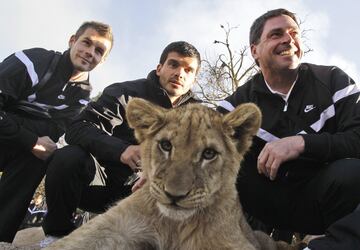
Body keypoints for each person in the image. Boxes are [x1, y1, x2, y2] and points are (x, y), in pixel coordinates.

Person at [217, 8, 360, 250]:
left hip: (325, 196)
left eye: (294, 32)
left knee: (354, 171)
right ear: (255, 50)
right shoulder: (236, 103)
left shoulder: (333, 79)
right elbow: (196, 141)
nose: (288, 39)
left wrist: (301, 143)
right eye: (276, 34)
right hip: (264, 203)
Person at [41, 41, 201, 246]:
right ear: (159, 68)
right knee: (67, 157)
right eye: (174, 65)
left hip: (148, 195)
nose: (180, 73)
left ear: (194, 79)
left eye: (188, 70)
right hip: (98, 182)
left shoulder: (199, 115)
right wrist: (121, 150)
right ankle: (56, 235)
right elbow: (78, 128)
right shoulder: (124, 92)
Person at [0, 21, 113, 243]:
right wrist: (30, 139)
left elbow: (50, 137)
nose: (90, 52)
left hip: (19, 144)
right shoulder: (32, 61)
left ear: (103, 60)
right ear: (72, 41)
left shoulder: (82, 97)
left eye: (99, 51)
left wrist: (36, 143)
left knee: (45, 153)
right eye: (86, 43)